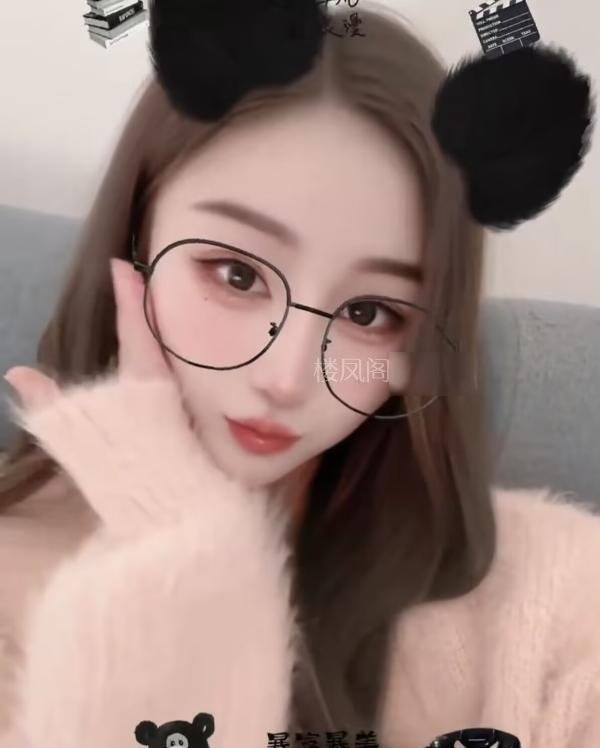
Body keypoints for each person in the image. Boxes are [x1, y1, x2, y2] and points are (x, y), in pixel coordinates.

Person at [0, 1, 598, 746]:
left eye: (371, 312)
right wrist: (178, 554)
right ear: (135, 243)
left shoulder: (553, 598)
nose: (287, 378)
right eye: (238, 275)